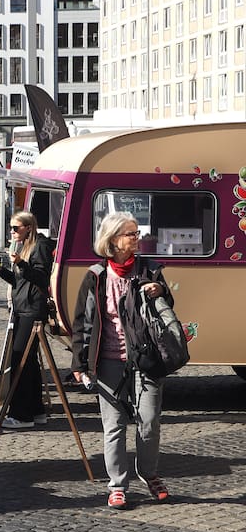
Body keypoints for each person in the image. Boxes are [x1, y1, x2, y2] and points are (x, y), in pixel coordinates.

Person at [70, 211, 172, 510]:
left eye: (137, 233)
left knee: (149, 422)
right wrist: (79, 363)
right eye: (131, 234)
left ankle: (149, 474)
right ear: (113, 239)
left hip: (146, 359)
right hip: (108, 362)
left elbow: (168, 306)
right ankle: (117, 485)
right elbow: (82, 322)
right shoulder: (96, 276)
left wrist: (161, 290)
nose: (137, 238)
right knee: (114, 425)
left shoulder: (149, 270)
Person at [0, 211, 57, 430]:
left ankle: (21, 414)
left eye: (15, 228)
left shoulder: (40, 246)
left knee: (19, 359)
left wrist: (21, 263)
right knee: (28, 361)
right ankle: (36, 410)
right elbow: (18, 280)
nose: (12, 232)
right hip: (23, 307)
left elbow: (41, 277)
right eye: (10, 227)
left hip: (32, 309)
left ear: (28, 227)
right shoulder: (23, 246)